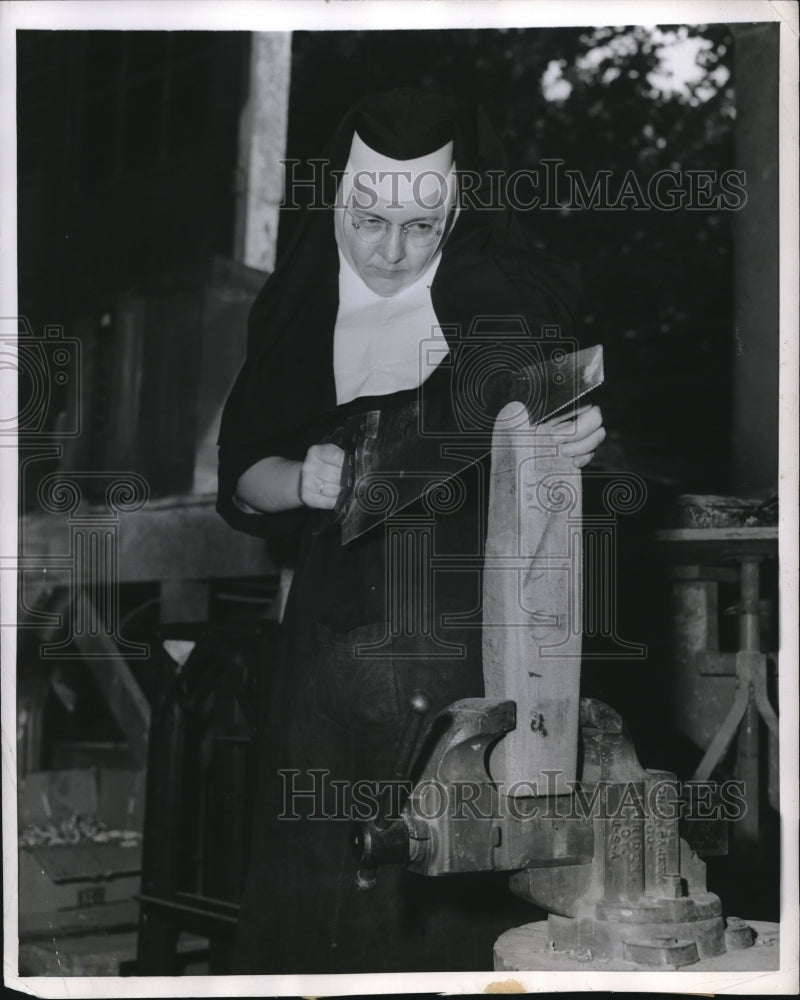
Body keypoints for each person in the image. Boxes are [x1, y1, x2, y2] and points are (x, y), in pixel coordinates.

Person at [217, 88, 605, 974]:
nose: (391, 251)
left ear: (458, 211)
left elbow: (546, 416)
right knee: (319, 887)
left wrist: (570, 441)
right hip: (328, 645)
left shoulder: (500, 298)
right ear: (337, 204)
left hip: (469, 643)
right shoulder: (297, 311)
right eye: (368, 221)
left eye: (421, 229)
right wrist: (299, 480)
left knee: (455, 895)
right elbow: (241, 472)